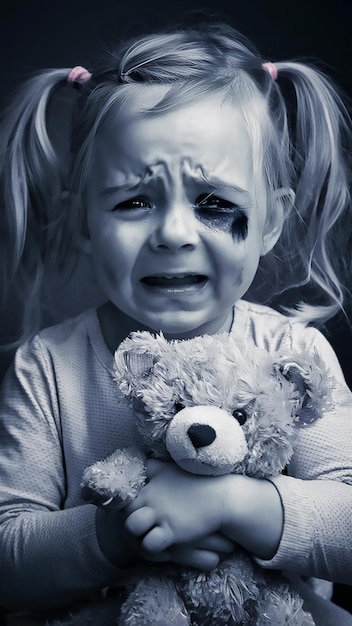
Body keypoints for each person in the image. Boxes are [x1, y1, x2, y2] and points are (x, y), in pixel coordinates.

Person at [0, 21, 351, 625]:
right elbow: (8, 562)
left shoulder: (294, 354)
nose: (173, 234)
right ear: (84, 222)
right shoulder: (48, 368)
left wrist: (230, 502)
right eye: (133, 200)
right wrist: (119, 534)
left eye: (215, 202)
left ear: (269, 220)